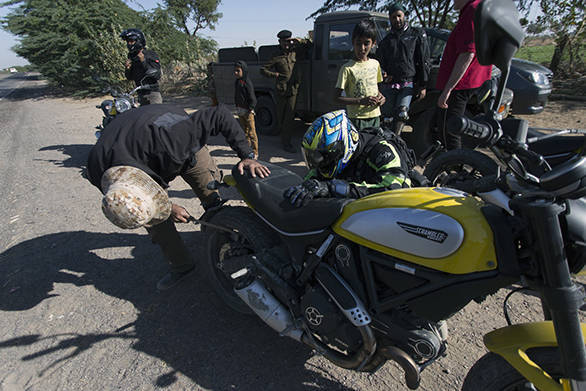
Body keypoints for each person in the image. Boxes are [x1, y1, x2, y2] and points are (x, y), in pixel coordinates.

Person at [87, 104, 270, 291]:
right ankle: (181, 265)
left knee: (211, 193)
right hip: (140, 139)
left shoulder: (175, 140)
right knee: (156, 222)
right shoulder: (98, 169)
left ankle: (225, 233)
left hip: (167, 133)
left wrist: (246, 155)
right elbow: (126, 200)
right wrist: (167, 207)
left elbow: (220, 114)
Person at [284, 110, 416, 206]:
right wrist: (305, 186)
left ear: (343, 146)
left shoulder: (382, 152)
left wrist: (333, 188)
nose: (319, 161)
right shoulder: (333, 157)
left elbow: (394, 191)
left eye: (323, 156)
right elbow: (317, 174)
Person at [435, 0, 492, 150]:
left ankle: (455, 169)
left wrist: (448, 89)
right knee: (452, 128)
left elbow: (468, 53)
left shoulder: (473, 9)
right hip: (469, 81)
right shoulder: (476, 9)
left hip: (461, 84)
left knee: (450, 130)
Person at [376, 2, 430, 134]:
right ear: (390, 19)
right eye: (393, 17)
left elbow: (423, 61)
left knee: (402, 114)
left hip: (408, 83)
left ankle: (397, 139)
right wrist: (383, 74)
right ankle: (389, 142)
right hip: (390, 85)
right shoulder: (386, 41)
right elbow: (379, 63)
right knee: (387, 118)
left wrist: (423, 85)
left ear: (404, 15)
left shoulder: (416, 35)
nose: (397, 19)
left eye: (399, 16)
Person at [260, 29, 309, 153]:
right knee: (281, 116)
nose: (286, 45)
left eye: (288, 42)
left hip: (293, 89)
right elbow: (263, 69)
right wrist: (274, 75)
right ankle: (283, 136)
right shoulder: (276, 55)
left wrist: (299, 40)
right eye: (284, 42)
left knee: (289, 116)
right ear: (279, 42)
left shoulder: (296, 52)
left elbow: (309, 46)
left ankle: (286, 143)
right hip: (281, 90)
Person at [334, 19, 385, 132]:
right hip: (356, 119)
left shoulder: (375, 64)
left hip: (375, 116)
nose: (362, 48)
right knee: (358, 148)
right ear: (353, 42)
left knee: (373, 147)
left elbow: (376, 89)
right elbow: (336, 97)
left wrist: (381, 98)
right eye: (358, 43)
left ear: (373, 43)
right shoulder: (347, 68)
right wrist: (360, 101)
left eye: (366, 43)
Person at [120, 28, 163, 105]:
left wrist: (143, 61)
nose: (129, 44)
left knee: (155, 115)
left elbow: (157, 75)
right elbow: (130, 77)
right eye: (127, 42)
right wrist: (128, 68)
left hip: (152, 94)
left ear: (138, 41)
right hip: (140, 95)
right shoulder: (132, 57)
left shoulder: (150, 54)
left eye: (131, 41)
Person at [234, 60, 259, 158]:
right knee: (244, 132)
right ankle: (248, 149)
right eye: (235, 71)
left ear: (243, 70)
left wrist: (251, 108)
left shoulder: (247, 82)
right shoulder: (237, 82)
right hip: (240, 110)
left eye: (238, 71)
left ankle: (255, 152)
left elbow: (252, 97)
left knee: (252, 132)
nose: (235, 73)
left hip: (248, 111)